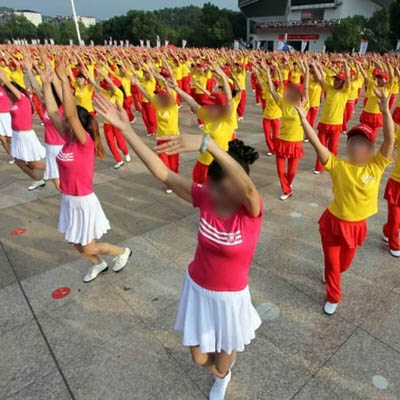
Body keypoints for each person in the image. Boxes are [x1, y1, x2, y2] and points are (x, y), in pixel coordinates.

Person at [94, 92, 262, 400]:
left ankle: (224, 373)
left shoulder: (250, 211)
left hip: (230, 299)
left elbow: (248, 187)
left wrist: (208, 143)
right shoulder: (206, 198)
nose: (219, 194)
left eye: (227, 189)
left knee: (221, 363)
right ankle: (218, 367)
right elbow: (162, 172)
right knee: (199, 358)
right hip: (199, 289)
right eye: (214, 187)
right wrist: (125, 129)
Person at [296, 88, 394, 315]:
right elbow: (316, 144)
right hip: (333, 223)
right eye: (353, 141)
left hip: (356, 226)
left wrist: (385, 112)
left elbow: (389, 140)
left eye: (363, 142)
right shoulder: (338, 166)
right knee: (332, 262)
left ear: (370, 149)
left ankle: (333, 275)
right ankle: (333, 295)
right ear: (348, 146)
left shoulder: (376, 166)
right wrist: (303, 119)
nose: (357, 146)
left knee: (343, 265)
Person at [53, 60, 132, 283]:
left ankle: (121, 252)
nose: (64, 121)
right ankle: (99, 265)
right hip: (68, 199)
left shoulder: (84, 141)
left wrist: (63, 80)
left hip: (82, 200)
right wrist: (49, 80)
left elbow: (69, 114)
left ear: (78, 123)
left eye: (69, 120)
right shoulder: (68, 139)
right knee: (75, 241)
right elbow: (52, 110)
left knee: (89, 246)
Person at [263, 60, 309, 200]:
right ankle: (286, 189)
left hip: (295, 141)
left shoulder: (304, 104)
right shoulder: (284, 103)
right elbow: (272, 90)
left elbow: (306, 89)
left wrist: (306, 70)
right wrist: (267, 73)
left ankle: (288, 185)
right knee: (280, 169)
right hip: (282, 140)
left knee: (292, 171)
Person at [0, 70, 46, 190]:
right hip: (17, 135)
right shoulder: (14, 102)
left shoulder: (23, 99)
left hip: (26, 135)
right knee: (19, 161)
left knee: (33, 164)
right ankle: (38, 179)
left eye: (8, 92)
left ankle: (55, 170)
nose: (7, 95)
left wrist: (4, 79)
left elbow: (9, 87)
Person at [313, 61, 351, 174]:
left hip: (336, 124)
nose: (335, 81)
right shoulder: (329, 88)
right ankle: (319, 167)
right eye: (335, 79)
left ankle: (332, 166)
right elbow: (320, 78)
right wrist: (314, 65)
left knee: (333, 147)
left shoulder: (345, 92)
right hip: (324, 122)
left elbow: (348, 79)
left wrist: (345, 64)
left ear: (342, 83)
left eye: (338, 80)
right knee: (321, 147)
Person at [0, 81, 13, 164]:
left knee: (9, 138)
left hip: (6, 115)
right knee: (1, 138)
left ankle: (17, 155)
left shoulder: (7, 89)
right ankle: (12, 155)